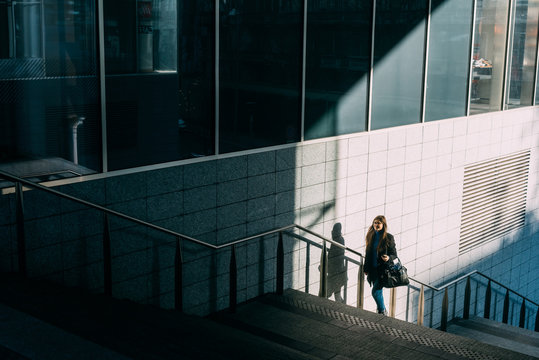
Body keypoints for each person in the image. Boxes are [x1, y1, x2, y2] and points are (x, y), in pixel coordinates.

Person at [364, 215, 397, 315]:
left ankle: (382, 311)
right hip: (372, 269)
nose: (376, 225)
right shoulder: (371, 236)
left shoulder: (388, 237)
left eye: (379, 223)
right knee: (378, 292)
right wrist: (365, 268)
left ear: (383, 224)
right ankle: (380, 310)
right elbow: (368, 254)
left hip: (382, 270)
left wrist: (388, 258)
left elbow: (394, 255)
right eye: (375, 222)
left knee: (375, 292)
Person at [326, 223, 347, 303]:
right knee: (336, 293)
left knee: (335, 293)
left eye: (333, 231)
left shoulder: (338, 240)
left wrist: (327, 266)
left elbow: (336, 257)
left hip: (336, 272)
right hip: (337, 272)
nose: (332, 233)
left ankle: (343, 308)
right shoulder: (338, 239)